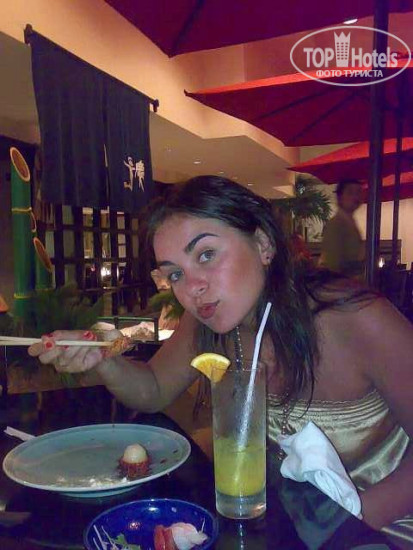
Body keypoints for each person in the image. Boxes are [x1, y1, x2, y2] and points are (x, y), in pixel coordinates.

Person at [29, 176, 413, 542]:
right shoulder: (207, 324)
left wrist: (350, 525)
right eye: (175, 274)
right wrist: (103, 361)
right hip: (288, 522)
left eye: (207, 255)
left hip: (385, 529)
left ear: (263, 244)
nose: (192, 288)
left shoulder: (356, 319)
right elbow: (153, 389)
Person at [319, 180, 365, 278]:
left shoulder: (350, 222)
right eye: (350, 192)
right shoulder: (335, 224)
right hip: (343, 283)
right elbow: (333, 265)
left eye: (358, 192)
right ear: (339, 197)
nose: (355, 197)